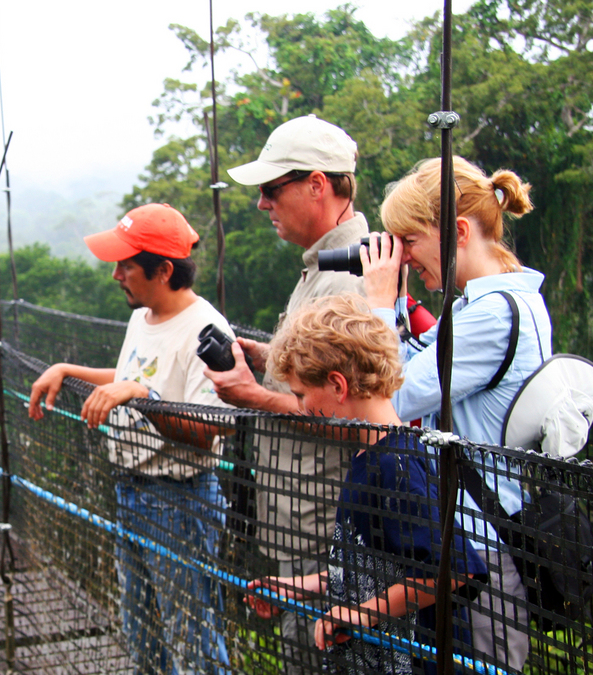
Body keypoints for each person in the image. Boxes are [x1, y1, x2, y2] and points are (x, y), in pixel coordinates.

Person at [360, 156, 547, 671]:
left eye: (410, 241)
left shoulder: (492, 315)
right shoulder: (481, 304)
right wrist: (396, 308)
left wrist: (377, 301)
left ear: (458, 231)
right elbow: (420, 367)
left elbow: (390, 399)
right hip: (466, 540)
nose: (406, 257)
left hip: (481, 550)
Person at [27, 203, 231, 674]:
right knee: (142, 638)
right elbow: (127, 377)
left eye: (127, 265)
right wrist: (67, 369)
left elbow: (211, 430)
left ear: (163, 270)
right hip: (131, 491)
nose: (116, 274)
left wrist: (142, 395)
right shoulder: (143, 315)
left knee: (193, 639)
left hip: (180, 501)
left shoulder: (206, 329)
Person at [247, 294, 487, 675]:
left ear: (338, 386)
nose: (302, 406)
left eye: (301, 395)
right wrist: (299, 587)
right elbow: (374, 568)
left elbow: (457, 569)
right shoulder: (367, 457)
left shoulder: (394, 466)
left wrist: (361, 613)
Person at [204, 114, 367, 673]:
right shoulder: (322, 269)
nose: (261, 204)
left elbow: (347, 414)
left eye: (272, 189)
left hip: (326, 539)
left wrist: (255, 397)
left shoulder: (345, 278)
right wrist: (267, 356)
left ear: (318, 184)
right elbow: (322, 378)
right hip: (305, 530)